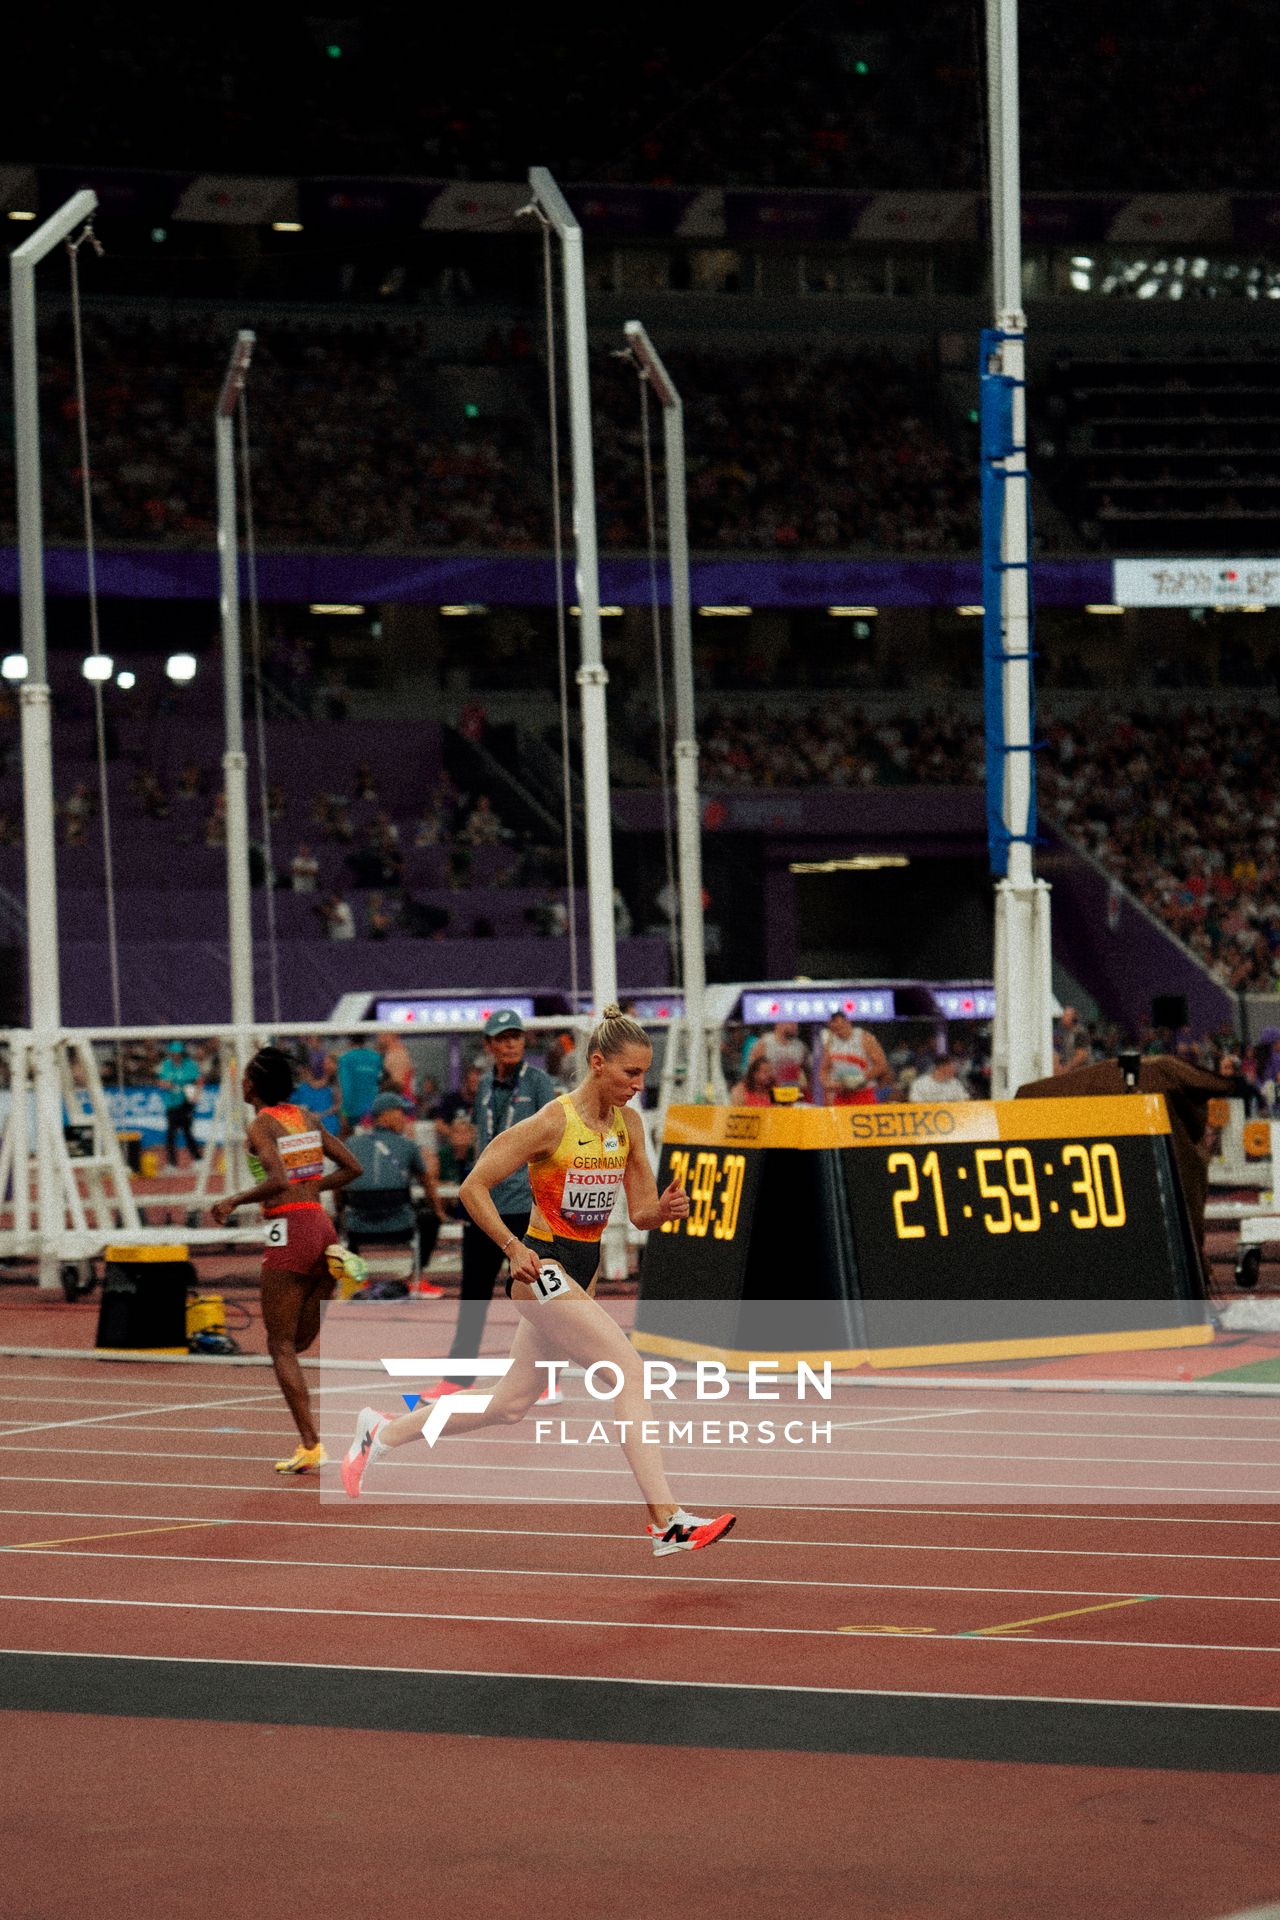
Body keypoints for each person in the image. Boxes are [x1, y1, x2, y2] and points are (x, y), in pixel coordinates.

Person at [342, 1006, 736, 1558]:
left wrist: (664, 1210)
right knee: (628, 1370)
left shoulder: (629, 1125)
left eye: (644, 1075)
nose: (637, 1086)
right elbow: (474, 1187)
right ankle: (666, 1521)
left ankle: (380, 1433)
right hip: (541, 1269)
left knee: (509, 1404)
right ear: (597, 1065)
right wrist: (513, 1247)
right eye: (629, 1075)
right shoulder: (554, 1121)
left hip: (583, 1271)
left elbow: (640, 1211)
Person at [210, 1045, 362, 1473]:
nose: (240, 1083)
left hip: (288, 1229)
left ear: (255, 1085)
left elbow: (277, 1179)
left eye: (244, 1077)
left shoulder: (261, 1124)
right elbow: (352, 1167)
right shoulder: (307, 1118)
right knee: (295, 1343)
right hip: (320, 1224)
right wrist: (313, 1192)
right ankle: (332, 1277)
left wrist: (234, 1199)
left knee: (278, 1345)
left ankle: (311, 1444)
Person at [430, 1008, 557, 1394]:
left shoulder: (538, 1083)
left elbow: (551, 1138)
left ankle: (547, 1378)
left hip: (525, 1204)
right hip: (484, 1205)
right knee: (473, 1292)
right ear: (489, 1045)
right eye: (502, 1038)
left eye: (516, 1037)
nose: (511, 1044)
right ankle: (458, 1376)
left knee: (539, 1292)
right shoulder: (484, 1085)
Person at [341, 1093, 446, 1295]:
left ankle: (355, 1279)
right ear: (384, 1115)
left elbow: (340, 1186)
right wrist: (439, 1211)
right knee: (431, 1219)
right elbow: (428, 1184)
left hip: (356, 1225)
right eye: (400, 1113)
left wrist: (341, 1209)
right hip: (400, 1224)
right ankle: (416, 1278)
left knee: (340, 1219)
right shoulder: (408, 1145)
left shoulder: (351, 1144)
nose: (404, 1118)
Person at [819, 1011, 890, 1106]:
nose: (838, 1032)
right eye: (834, 1029)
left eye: (840, 1027)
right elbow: (824, 1069)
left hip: (863, 1092)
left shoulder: (864, 1037)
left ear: (848, 1022)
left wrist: (861, 1079)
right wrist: (827, 1083)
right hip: (842, 1093)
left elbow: (882, 1064)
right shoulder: (831, 1041)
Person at [157, 1039, 203, 1168]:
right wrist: (170, 1085)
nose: (175, 1056)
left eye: (178, 1053)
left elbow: (198, 1080)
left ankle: (198, 1159)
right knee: (171, 1133)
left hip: (186, 1103)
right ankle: (172, 1163)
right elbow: (161, 1082)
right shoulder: (166, 1065)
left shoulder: (190, 1064)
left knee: (187, 1131)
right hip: (171, 1103)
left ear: (182, 1053)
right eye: (173, 1053)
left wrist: (196, 1095)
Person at [747, 1020, 810, 1098]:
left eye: (796, 1023)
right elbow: (752, 1070)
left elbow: (808, 1073)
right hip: (768, 1093)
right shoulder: (765, 1043)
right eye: (792, 1023)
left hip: (792, 1093)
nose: (796, 1026)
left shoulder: (800, 1046)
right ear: (779, 1024)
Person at [336, 1035, 384, 1128]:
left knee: (354, 1141)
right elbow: (381, 1082)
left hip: (353, 1110)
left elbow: (347, 1087)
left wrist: (344, 1112)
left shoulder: (346, 1059)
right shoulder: (376, 1057)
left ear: (349, 1042)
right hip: (374, 1109)